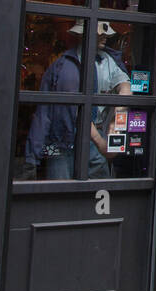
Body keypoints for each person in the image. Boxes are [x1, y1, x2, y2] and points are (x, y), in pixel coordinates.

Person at [24, 21, 132, 179]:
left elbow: (124, 86)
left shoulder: (107, 61)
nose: (105, 38)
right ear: (85, 34)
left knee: (99, 193)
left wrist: (117, 121)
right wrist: (32, 158)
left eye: (105, 34)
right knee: (62, 195)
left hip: (94, 139)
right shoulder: (66, 67)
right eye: (100, 34)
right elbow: (74, 111)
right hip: (62, 142)